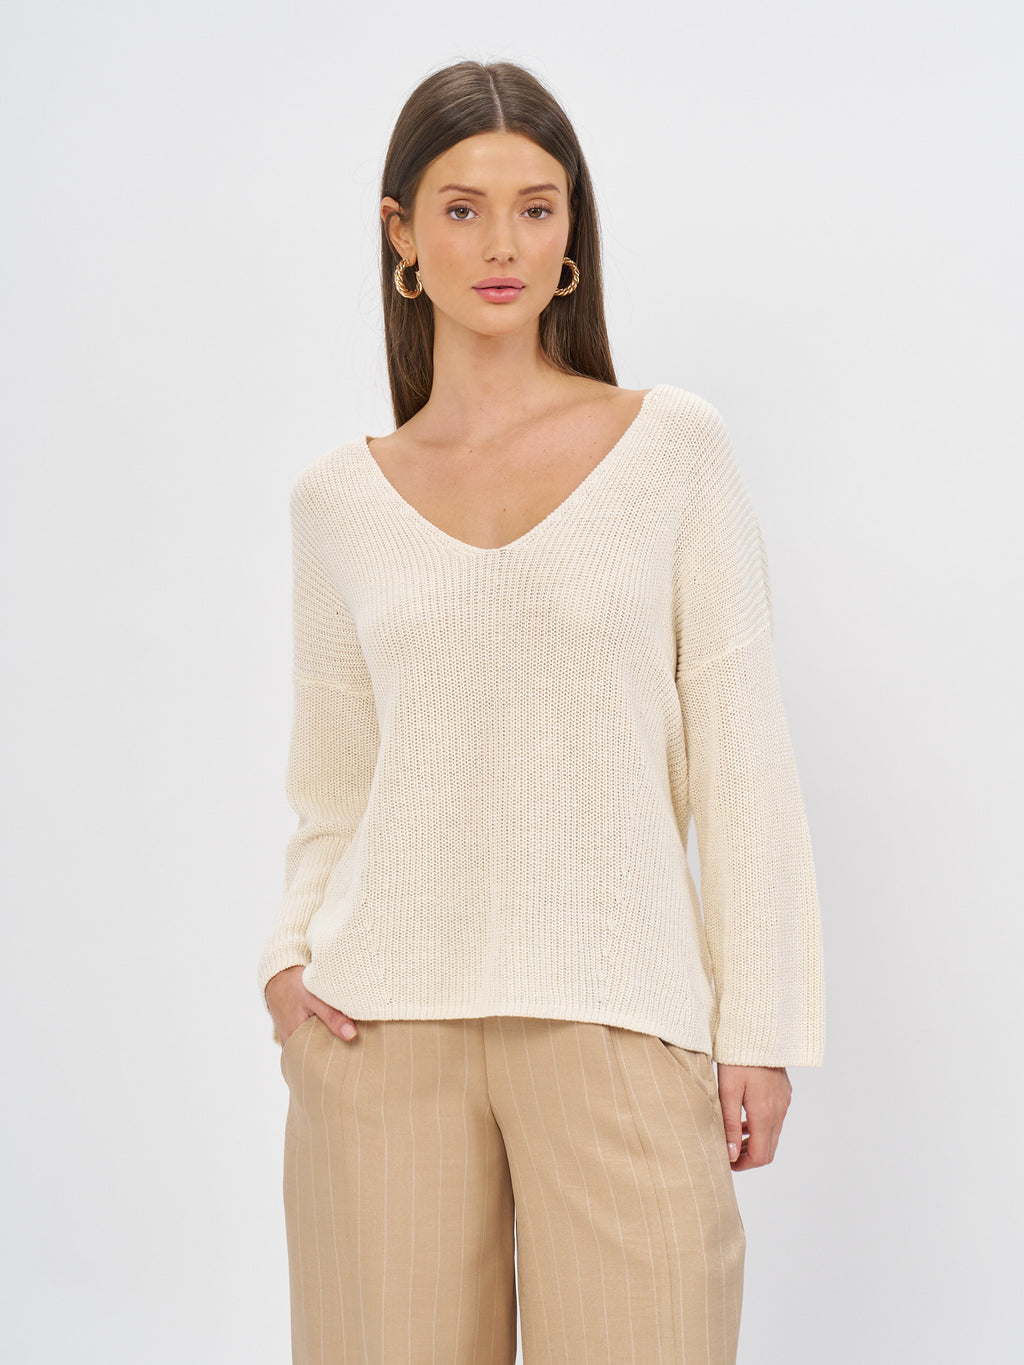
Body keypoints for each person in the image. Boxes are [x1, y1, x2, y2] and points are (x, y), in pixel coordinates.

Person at [257, 58, 824, 1365]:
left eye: (535, 207)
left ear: (574, 232)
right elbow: (333, 781)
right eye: (461, 210)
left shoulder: (671, 448)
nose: (501, 245)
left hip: (617, 1015)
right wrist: (289, 960)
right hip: (379, 1027)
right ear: (401, 234)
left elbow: (741, 750)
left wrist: (761, 1028)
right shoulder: (336, 500)